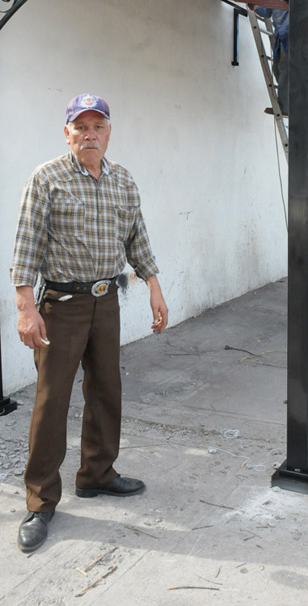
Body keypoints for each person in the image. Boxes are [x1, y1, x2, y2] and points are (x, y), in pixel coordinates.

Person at [11, 93, 168, 554]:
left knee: (106, 390)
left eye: (97, 126)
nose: (89, 134)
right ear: (67, 132)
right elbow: (25, 246)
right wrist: (25, 306)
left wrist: (154, 286)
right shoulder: (47, 178)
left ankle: (97, 474)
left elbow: (138, 237)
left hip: (107, 301)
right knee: (51, 400)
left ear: (109, 131)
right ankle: (40, 501)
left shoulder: (122, 180)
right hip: (61, 305)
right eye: (80, 126)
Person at [255, 6, 289, 116]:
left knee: (285, 69)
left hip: (292, 34)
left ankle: (285, 107)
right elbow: (268, 12)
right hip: (280, 35)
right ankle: (287, 103)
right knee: (277, 69)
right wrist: (256, 8)